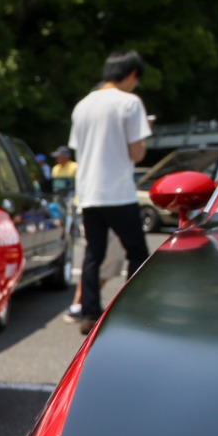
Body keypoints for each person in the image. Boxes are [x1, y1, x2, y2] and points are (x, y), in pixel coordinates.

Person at [65, 51, 151, 334]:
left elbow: (78, 148)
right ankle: (133, 308)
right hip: (118, 192)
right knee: (137, 251)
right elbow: (136, 153)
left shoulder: (82, 106)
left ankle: (89, 313)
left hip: (89, 192)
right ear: (130, 75)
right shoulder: (130, 103)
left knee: (93, 254)